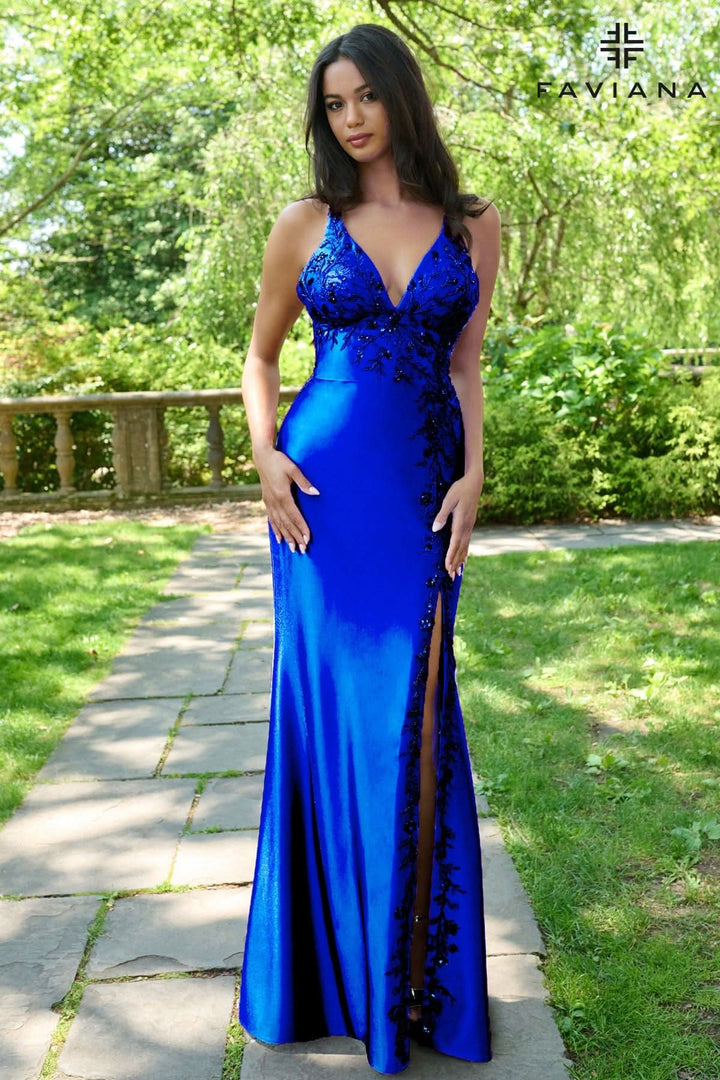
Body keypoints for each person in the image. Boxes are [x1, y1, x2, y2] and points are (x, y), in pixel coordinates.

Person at [238, 22, 501, 1076]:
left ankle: (415, 986)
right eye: (333, 104)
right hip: (321, 499)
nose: (350, 118)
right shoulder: (306, 222)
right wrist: (265, 456)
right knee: (334, 716)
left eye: (366, 97)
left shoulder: (474, 223)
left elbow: (467, 366)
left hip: (423, 494)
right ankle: (337, 980)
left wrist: (476, 474)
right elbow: (260, 356)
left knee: (418, 712)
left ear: (402, 96)